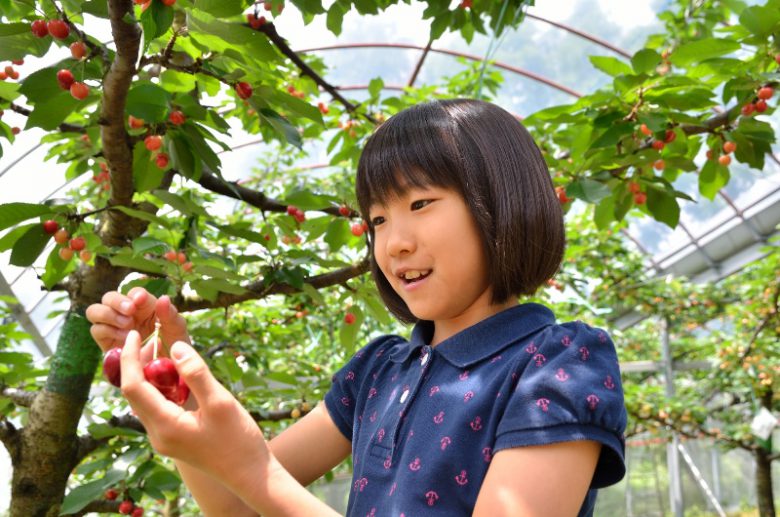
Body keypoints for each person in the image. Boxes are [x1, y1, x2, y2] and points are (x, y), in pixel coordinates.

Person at [87, 98, 627, 516]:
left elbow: (257, 484)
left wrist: (255, 473)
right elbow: (235, 504)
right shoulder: (376, 372)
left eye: (419, 203)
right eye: (378, 220)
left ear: (503, 204)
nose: (393, 243)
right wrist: (172, 379)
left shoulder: (560, 363)